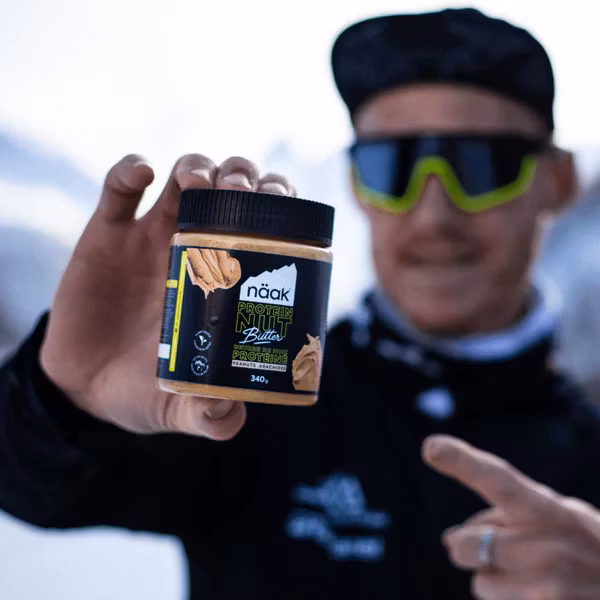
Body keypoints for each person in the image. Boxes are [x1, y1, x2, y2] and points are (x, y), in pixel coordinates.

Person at [1, 7, 600, 599]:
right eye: (390, 166)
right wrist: (59, 399)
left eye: (482, 164)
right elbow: (30, 487)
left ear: (560, 181)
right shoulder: (242, 395)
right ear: (356, 186)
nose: (433, 214)